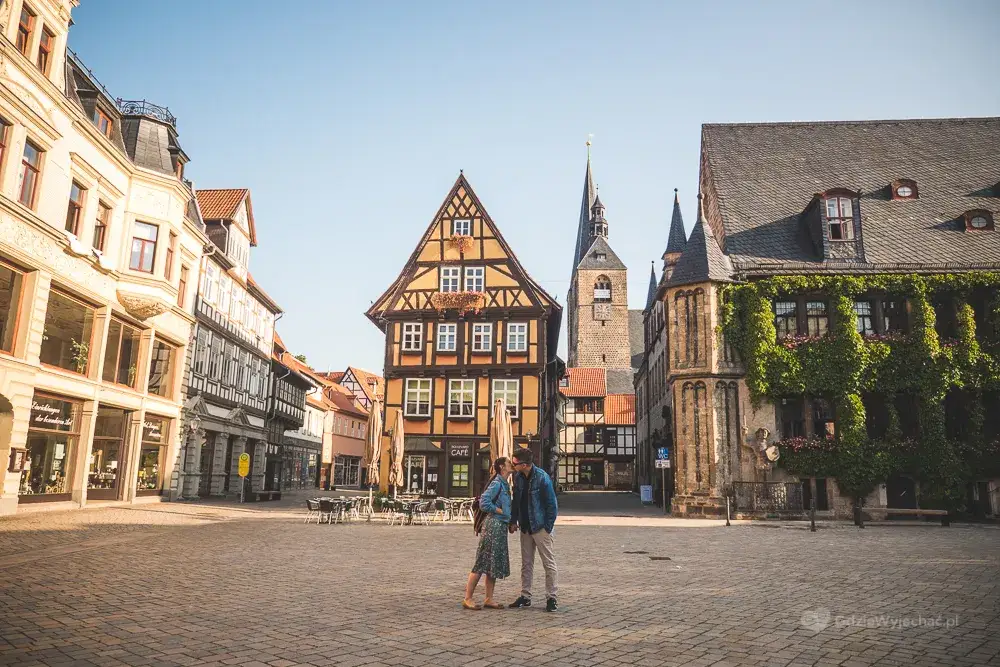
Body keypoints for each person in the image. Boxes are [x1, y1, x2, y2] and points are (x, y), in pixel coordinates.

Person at [508, 447, 559, 612]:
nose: (512, 466)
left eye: (515, 463)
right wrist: (513, 520)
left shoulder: (542, 477)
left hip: (540, 526)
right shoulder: (518, 477)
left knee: (548, 563)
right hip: (525, 526)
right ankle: (525, 596)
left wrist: (547, 527)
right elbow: (516, 500)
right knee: (526, 563)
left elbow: (552, 505)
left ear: (524, 464)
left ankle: (551, 598)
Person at [463, 457, 513, 610]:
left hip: (500, 527)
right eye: (509, 463)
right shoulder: (497, 483)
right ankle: (468, 598)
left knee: (492, 564)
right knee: (482, 561)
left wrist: (508, 519)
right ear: (502, 467)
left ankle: (489, 598)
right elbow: (484, 502)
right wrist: (499, 511)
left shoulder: (504, 484)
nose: (511, 464)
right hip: (493, 527)